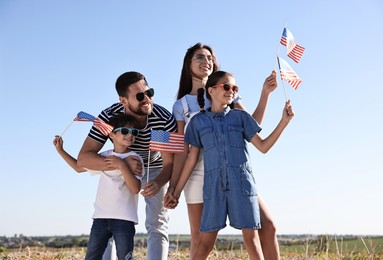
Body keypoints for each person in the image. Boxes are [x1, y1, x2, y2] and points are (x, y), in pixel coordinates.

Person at [164, 42, 281, 259]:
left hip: (234, 172)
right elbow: (182, 151)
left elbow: (250, 125)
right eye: (199, 57)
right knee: (200, 240)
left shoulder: (228, 92)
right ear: (188, 64)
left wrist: (265, 93)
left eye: (209, 58)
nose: (205, 61)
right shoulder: (181, 105)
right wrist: (174, 187)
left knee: (268, 226)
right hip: (197, 175)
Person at [77, 71, 177, 260]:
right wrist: (122, 164)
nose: (147, 99)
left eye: (149, 92)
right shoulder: (109, 117)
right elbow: (83, 159)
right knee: (111, 217)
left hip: (155, 167)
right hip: (121, 164)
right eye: (140, 96)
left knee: (157, 222)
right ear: (123, 100)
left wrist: (159, 181)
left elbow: (169, 162)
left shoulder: (162, 119)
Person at [54, 114, 143, 260]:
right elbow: (78, 167)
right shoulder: (103, 156)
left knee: (125, 257)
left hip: (124, 219)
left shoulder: (135, 158)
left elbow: (135, 188)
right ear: (112, 134)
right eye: (125, 131)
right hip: (100, 218)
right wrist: (61, 151)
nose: (130, 135)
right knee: (91, 257)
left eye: (134, 132)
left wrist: (121, 164)